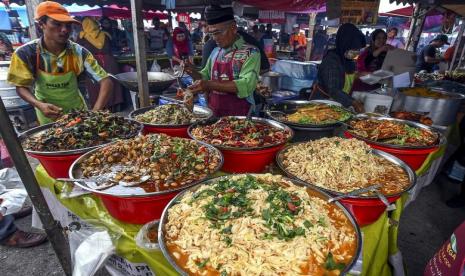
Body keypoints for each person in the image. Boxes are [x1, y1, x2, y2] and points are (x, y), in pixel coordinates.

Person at [7, 1, 112, 125]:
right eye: (57, 24)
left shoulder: (79, 52)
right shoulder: (25, 53)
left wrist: (95, 113)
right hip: (47, 117)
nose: (64, 30)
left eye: (68, 25)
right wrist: (39, 105)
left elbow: (106, 81)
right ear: (41, 24)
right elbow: (21, 86)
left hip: (78, 114)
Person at [185, 4, 261, 117]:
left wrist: (209, 84)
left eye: (217, 33)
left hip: (240, 117)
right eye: (211, 34)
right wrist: (192, 71)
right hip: (214, 113)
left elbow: (246, 85)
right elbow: (204, 77)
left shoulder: (251, 52)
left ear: (233, 28)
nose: (214, 38)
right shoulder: (215, 52)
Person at [313, 23, 365, 112]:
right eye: (354, 48)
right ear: (345, 44)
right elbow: (333, 90)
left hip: (339, 105)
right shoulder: (331, 61)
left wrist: (360, 75)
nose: (356, 52)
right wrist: (354, 102)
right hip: (322, 106)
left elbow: (345, 76)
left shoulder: (348, 61)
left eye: (358, 49)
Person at [77, 17, 123, 111]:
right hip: (109, 60)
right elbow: (112, 48)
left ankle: (100, 108)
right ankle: (114, 107)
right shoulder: (105, 35)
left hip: (92, 62)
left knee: (95, 84)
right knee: (112, 81)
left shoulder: (81, 37)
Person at [201, 28, 270, 74]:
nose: (215, 38)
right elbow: (205, 74)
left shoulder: (251, 49)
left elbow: (265, 68)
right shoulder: (214, 49)